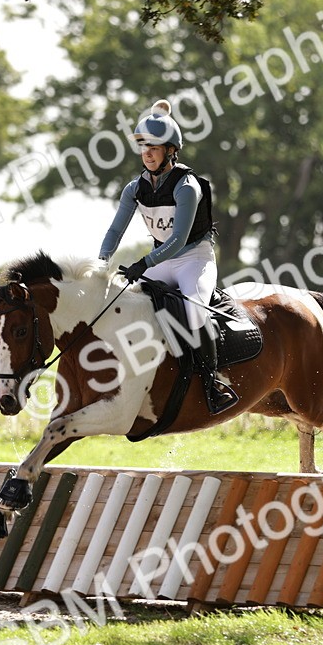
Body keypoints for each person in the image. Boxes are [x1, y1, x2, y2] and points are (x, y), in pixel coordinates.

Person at [98, 99, 238, 415]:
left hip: (194, 260)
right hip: (161, 261)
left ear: (170, 150)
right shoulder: (134, 188)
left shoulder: (186, 186)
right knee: (122, 302)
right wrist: (100, 264)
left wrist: (143, 264)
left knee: (194, 311)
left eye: (155, 147)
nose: (147, 152)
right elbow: (114, 231)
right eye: (143, 146)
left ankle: (213, 385)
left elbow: (176, 241)